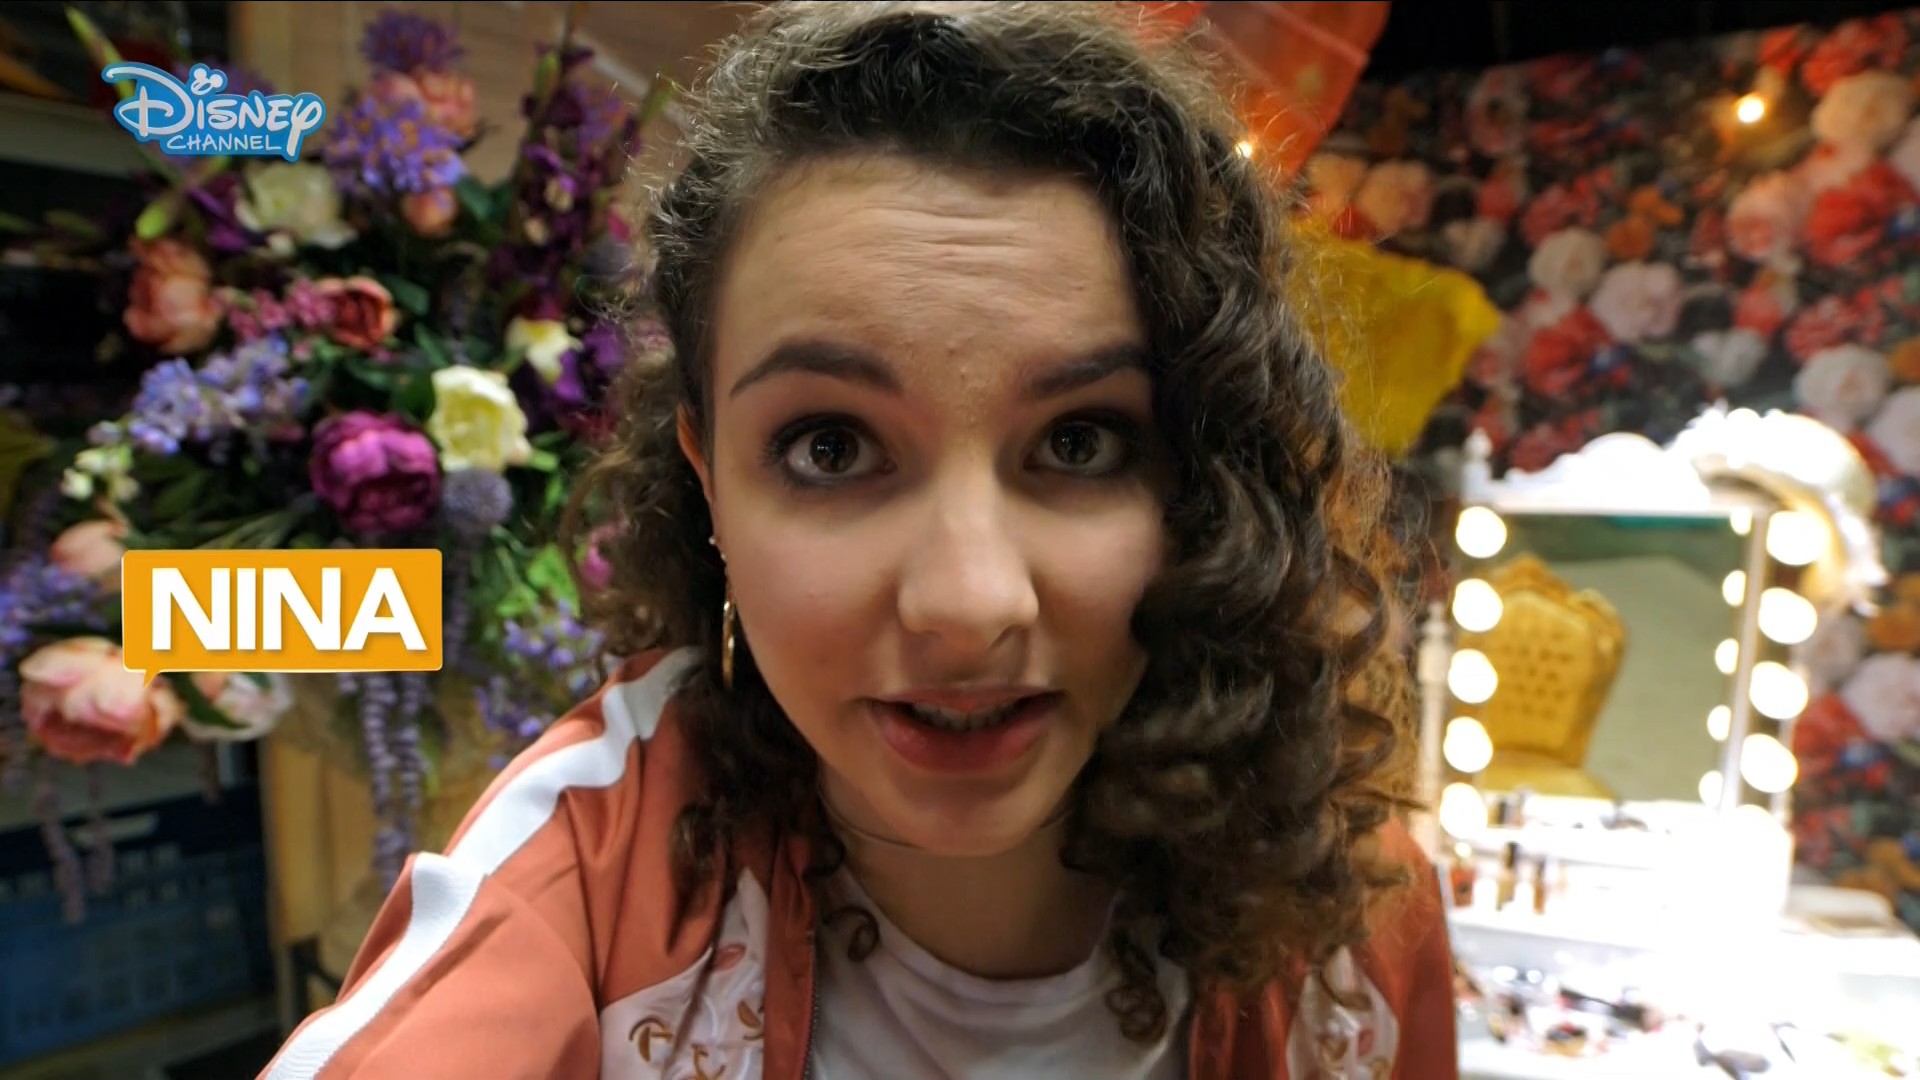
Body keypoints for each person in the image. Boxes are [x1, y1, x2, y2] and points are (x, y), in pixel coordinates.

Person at [257, 3, 1460, 1078]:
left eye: (1081, 442)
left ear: (1204, 477)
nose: (968, 605)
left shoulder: (1356, 912)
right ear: (708, 484)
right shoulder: (583, 885)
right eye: (830, 448)